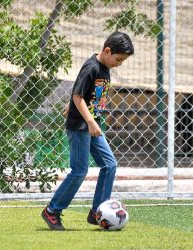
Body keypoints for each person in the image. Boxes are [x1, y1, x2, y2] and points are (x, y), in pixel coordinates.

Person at [41, 31, 134, 230]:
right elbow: (78, 95)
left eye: (122, 61)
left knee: (109, 165)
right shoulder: (92, 66)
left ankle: (97, 211)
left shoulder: (105, 68)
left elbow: (82, 91)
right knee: (80, 170)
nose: (119, 63)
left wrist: (78, 111)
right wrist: (89, 120)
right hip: (81, 126)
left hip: (92, 124)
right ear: (107, 50)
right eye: (118, 59)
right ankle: (52, 211)